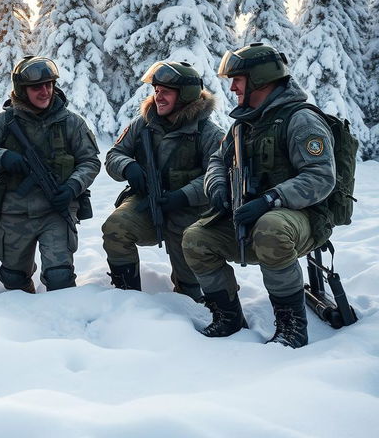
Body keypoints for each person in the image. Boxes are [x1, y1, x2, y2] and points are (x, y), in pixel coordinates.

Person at [182, 43, 336, 348]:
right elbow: (217, 159)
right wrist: (217, 186)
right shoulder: (244, 124)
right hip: (251, 217)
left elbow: (320, 177)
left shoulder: (300, 119)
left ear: (260, 79)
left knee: (271, 228)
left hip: (301, 219)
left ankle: (292, 327)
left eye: (238, 79)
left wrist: (271, 199)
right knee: (196, 238)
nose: (233, 87)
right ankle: (228, 317)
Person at [0, 56, 100, 293]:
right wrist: (3, 157)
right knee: (13, 279)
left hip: (56, 211)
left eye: (49, 84)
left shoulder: (71, 122)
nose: (45, 91)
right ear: (21, 90)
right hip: (15, 211)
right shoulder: (3, 122)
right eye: (36, 87)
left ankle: (61, 324)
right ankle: (26, 322)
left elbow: (90, 161)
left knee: (60, 278)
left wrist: (72, 186)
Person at [102, 61, 223, 300]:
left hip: (190, 212)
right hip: (147, 202)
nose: (158, 97)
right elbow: (114, 155)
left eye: (165, 91)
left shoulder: (209, 134)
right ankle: (126, 297)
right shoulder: (143, 124)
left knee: (190, 284)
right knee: (116, 228)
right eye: (156, 90)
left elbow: (217, 177)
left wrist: (183, 195)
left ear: (186, 95)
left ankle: (192, 305)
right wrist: (129, 167)